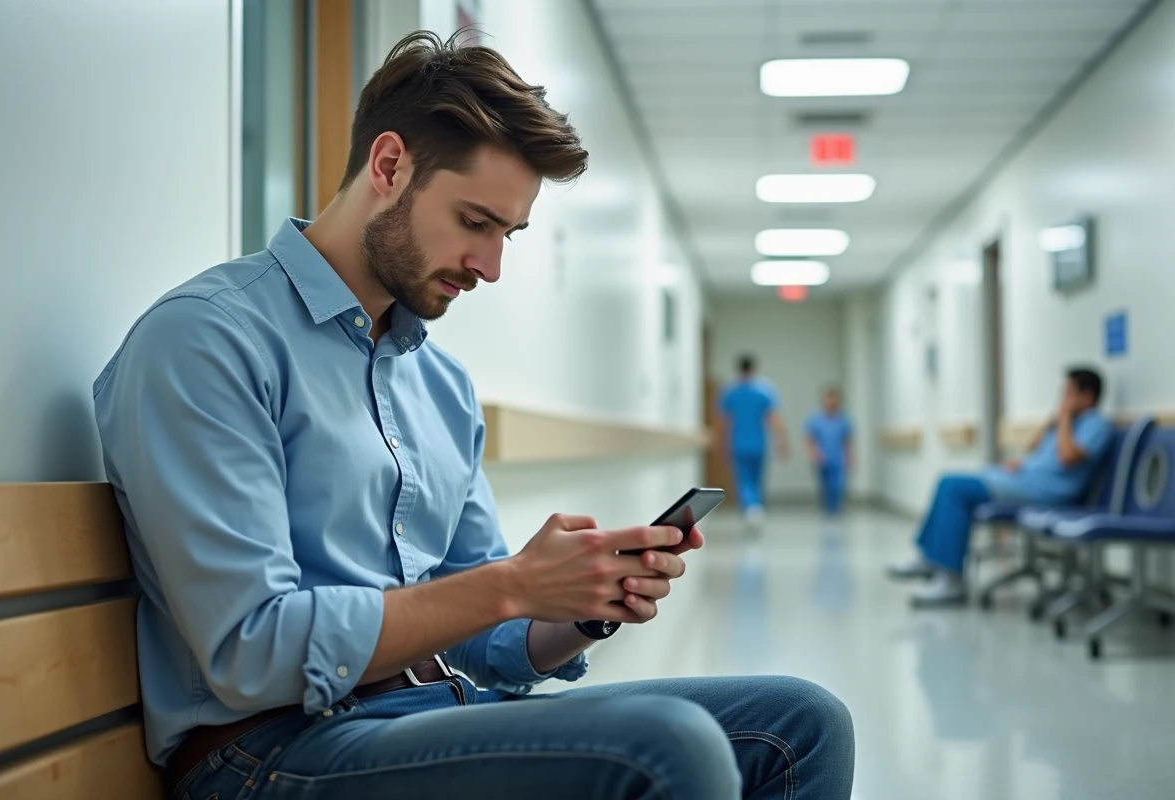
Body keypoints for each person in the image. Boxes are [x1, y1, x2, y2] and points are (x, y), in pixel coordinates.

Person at [93, 31, 853, 800]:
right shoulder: (208, 339)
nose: (490, 266)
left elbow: (487, 639)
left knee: (802, 722)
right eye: (475, 222)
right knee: (669, 747)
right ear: (389, 166)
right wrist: (512, 584)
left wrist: (578, 605)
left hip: (426, 713)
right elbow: (250, 651)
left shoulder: (440, 384)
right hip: (269, 751)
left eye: (507, 235)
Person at [887, 367, 1112, 606]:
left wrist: (1065, 417)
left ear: (1087, 396)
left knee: (953, 487)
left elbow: (1067, 457)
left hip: (1045, 492)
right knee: (947, 482)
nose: (1062, 400)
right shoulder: (1065, 424)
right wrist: (1044, 434)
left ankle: (951, 579)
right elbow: (1034, 448)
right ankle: (930, 560)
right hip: (1024, 479)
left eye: (1068, 393)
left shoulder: (1097, 424)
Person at [718, 355, 790, 530]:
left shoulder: (730, 392)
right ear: (755, 369)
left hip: (738, 444)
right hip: (758, 444)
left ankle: (751, 510)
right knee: (756, 480)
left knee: (744, 480)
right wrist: (782, 441)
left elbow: (723, 422)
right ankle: (755, 508)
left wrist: (720, 444)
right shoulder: (765, 390)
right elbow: (774, 419)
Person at [805, 386, 854, 516]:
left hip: (838, 458)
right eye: (828, 398)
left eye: (833, 398)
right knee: (825, 485)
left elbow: (847, 440)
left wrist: (850, 458)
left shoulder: (843, 419)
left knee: (836, 485)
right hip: (822, 458)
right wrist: (814, 453)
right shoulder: (815, 419)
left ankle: (835, 508)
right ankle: (827, 508)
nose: (831, 401)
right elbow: (809, 439)